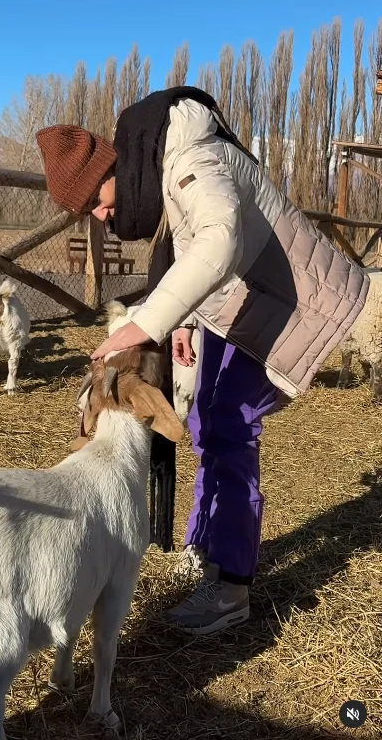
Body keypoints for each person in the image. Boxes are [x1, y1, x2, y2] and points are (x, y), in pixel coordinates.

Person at [36, 86, 368, 636]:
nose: (100, 215)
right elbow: (195, 252)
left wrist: (147, 324)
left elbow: (218, 239)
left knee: (228, 424)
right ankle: (206, 547)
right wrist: (184, 322)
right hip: (247, 299)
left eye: (94, 200)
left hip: (292, 300)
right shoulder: (164, 169)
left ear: (109, 169)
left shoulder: (191, 157)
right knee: (201, 419)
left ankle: (231, 585)